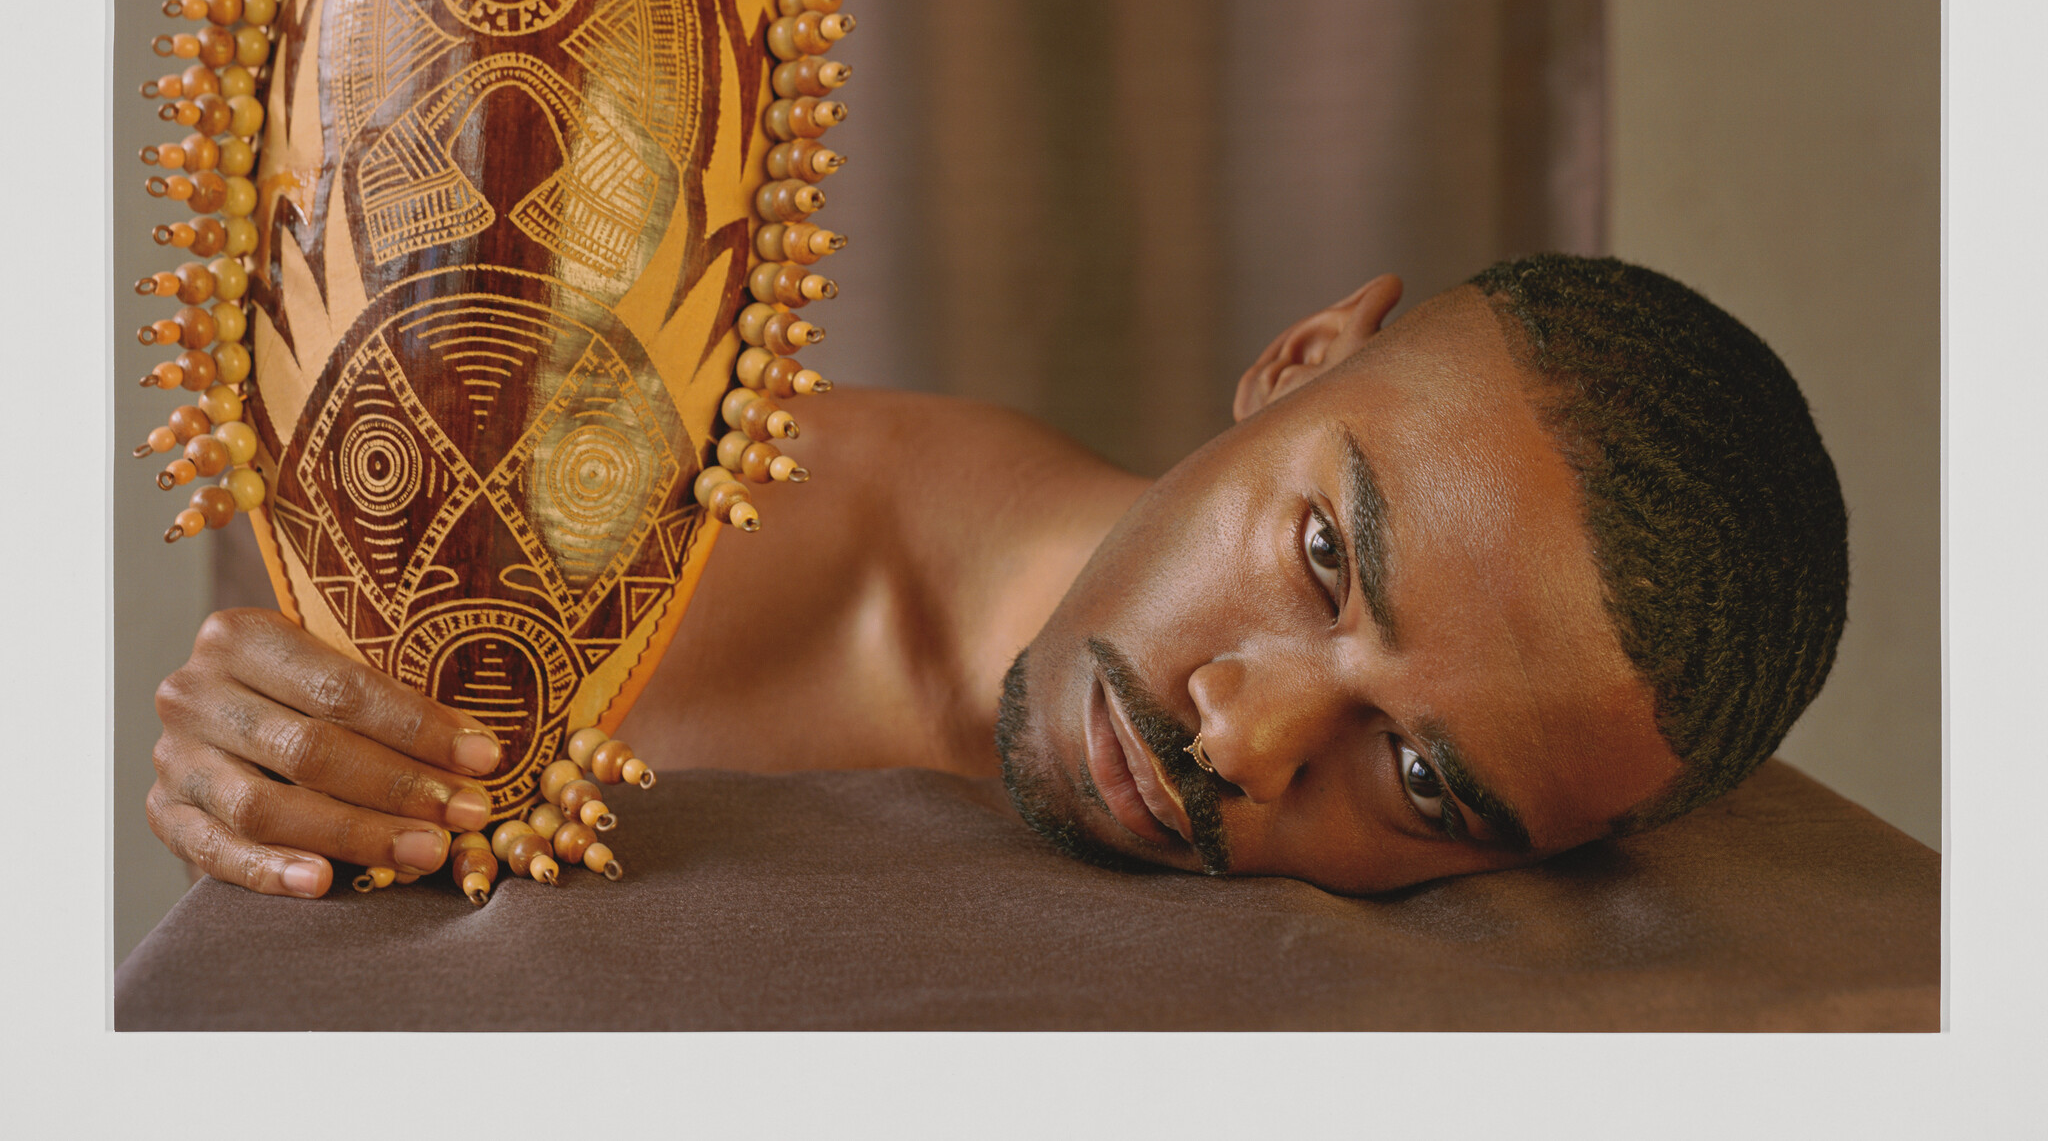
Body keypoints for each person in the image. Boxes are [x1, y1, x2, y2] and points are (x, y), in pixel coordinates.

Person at [146, 252, 1847, 899]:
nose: (1244, 746)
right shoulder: (605, 543)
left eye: (1415, 774)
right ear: (1299, 353)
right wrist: (261, 736)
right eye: (1326, 556)